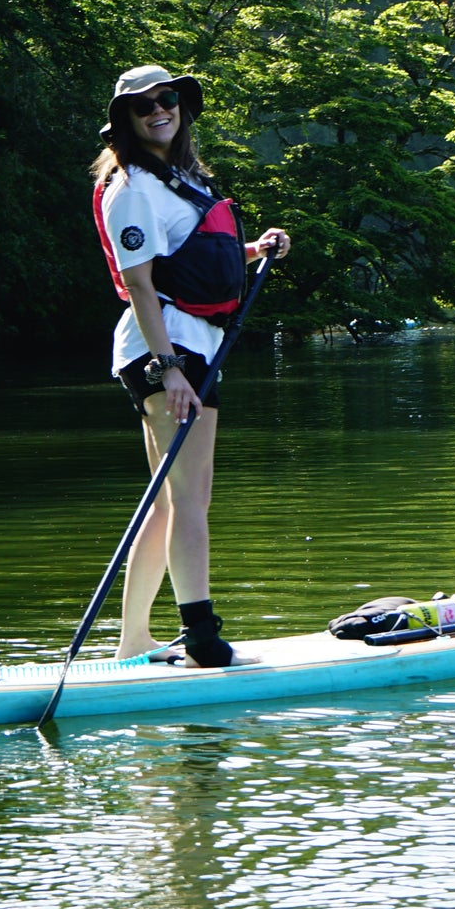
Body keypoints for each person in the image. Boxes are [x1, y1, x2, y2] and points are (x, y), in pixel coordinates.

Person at [92, 64, 291, 667]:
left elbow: (188, 256)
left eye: (167, 99)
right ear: (125, 119)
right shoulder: (130, 188)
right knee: (191, 499)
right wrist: (170, 367)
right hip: (170, 349)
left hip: (186, 345)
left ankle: (134, 640)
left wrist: (254, 248)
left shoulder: (177, 180)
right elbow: (141, 285)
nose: (159, 109)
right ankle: (202, 637)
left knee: (168, 500)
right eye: (143, 105)